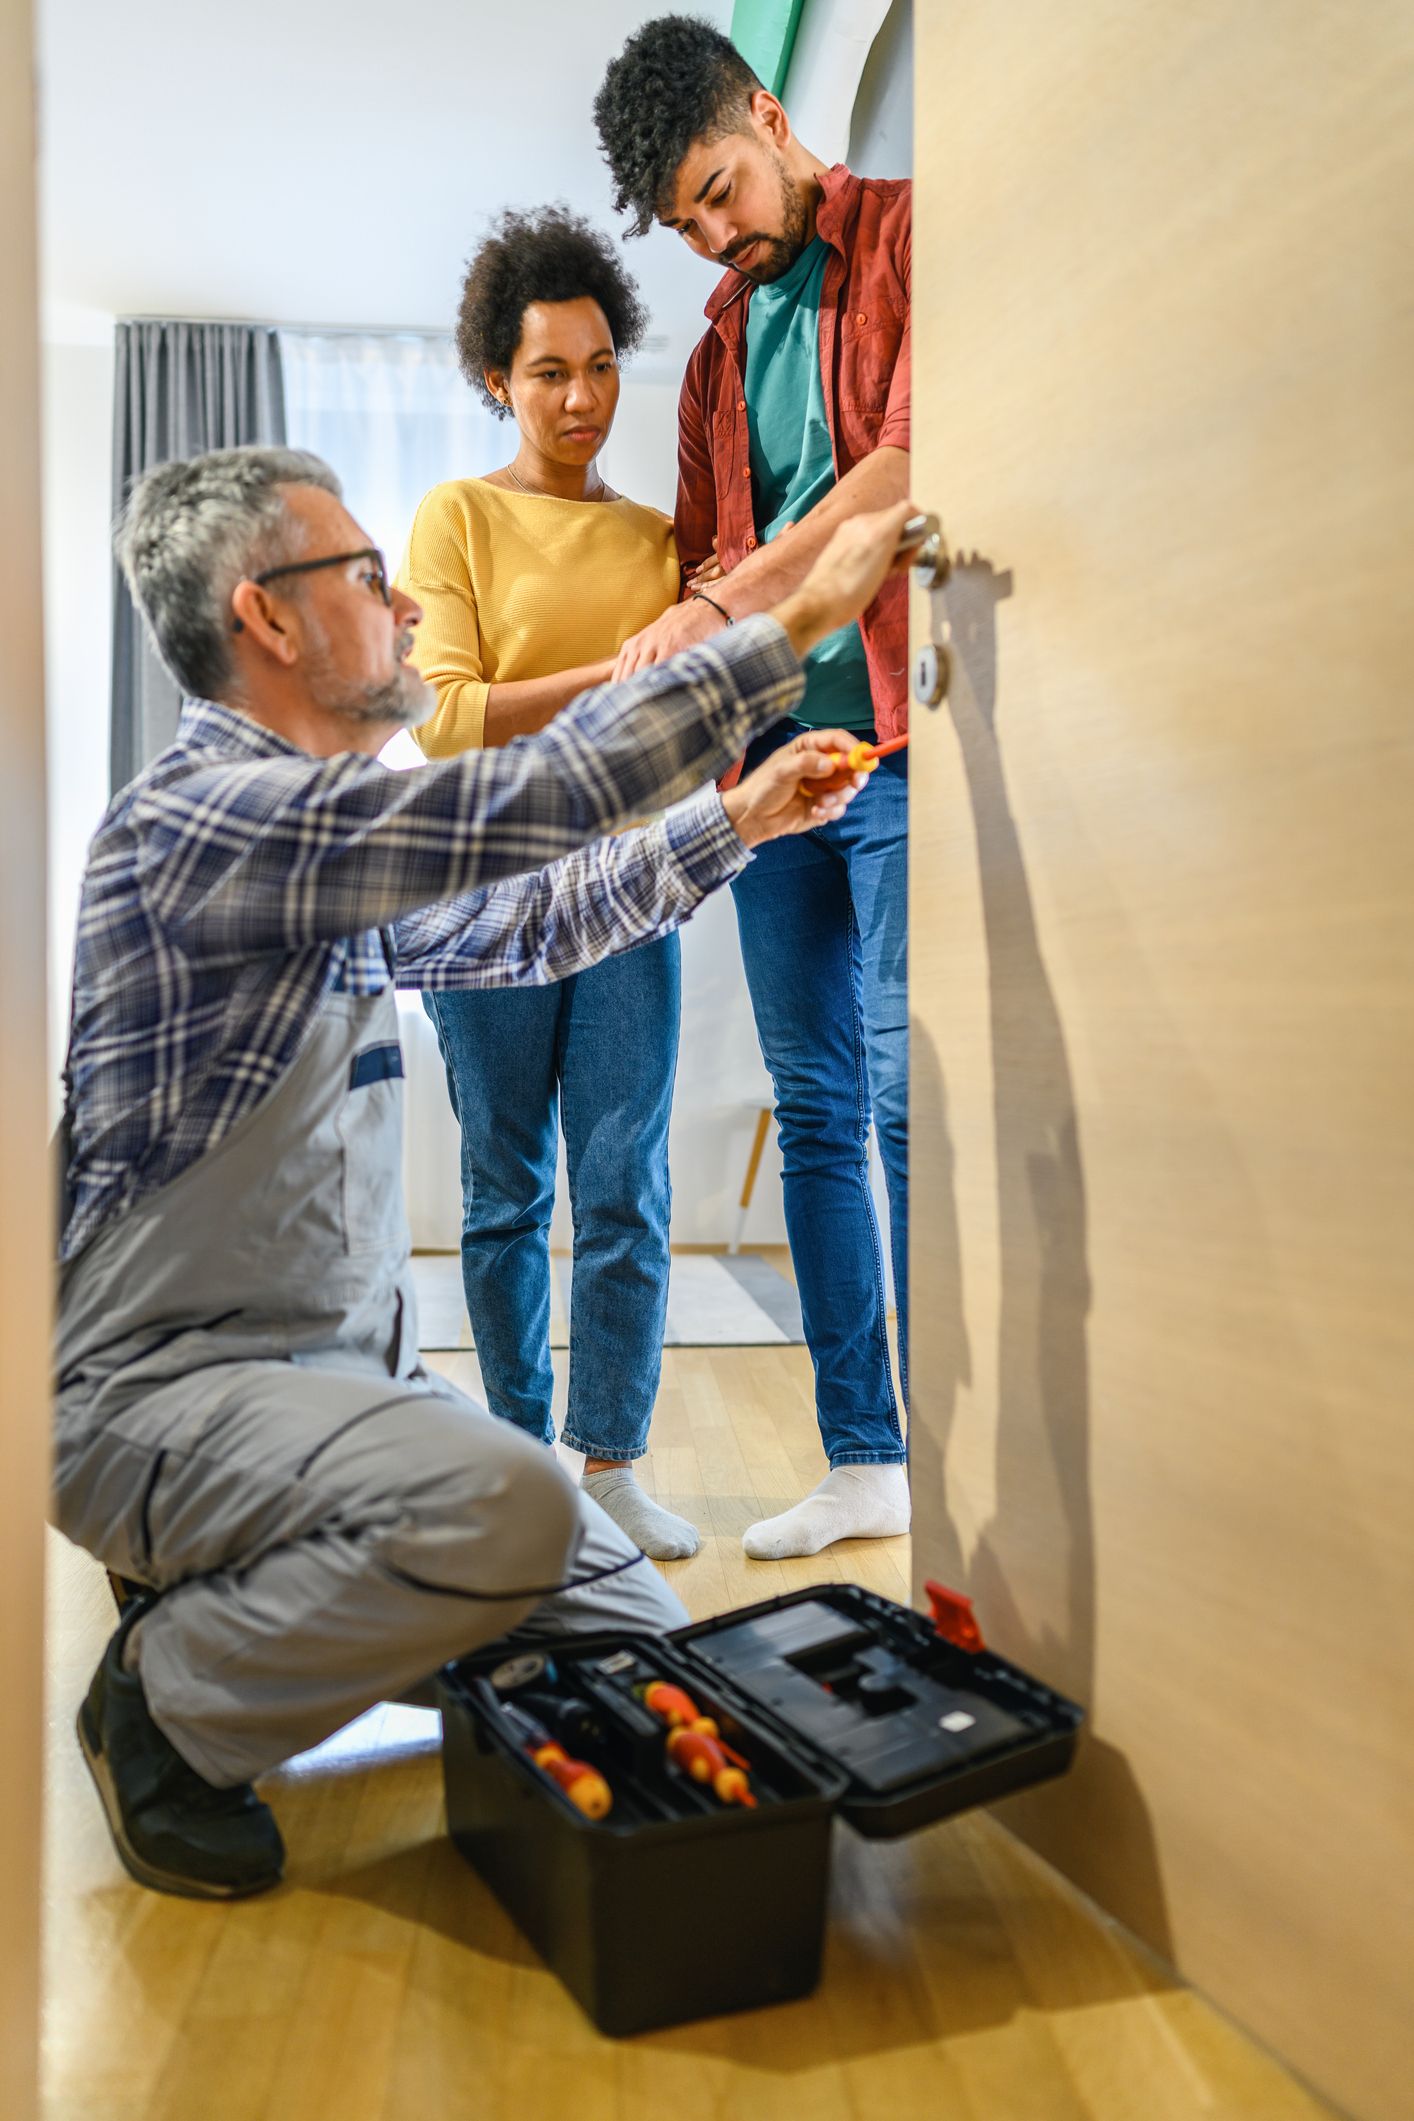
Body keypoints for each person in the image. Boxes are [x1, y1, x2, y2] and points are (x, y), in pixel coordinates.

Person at [55, 439, 912, 1899]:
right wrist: (799, 619)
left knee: (636, 1641)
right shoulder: (201, 821)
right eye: (366, 576)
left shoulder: (313, 837)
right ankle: (170, 1696)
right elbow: (517, 802)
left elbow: (525, 919)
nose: (403, 609)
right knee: (503, 1504)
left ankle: (268, 1592)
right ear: (264, 616)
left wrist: (737, 817)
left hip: (338, 1389)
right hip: (161, 1403)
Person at [594, 17, 914, 1563]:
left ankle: (962, 1455)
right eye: (686, 225)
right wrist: (704, 615)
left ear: (772, 119)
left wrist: (723, 603)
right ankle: (867, 1457)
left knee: (908, 1096)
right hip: (778, 771)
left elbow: (903, 471)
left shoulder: (911, 239)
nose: (715, 239)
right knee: (819, 1111)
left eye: (719, 192)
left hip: (906, 742)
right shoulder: (719, 345)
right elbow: (705, 550)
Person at [402, 209, 700, 1561]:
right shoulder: (457, 516)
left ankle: (613, 1467)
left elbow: (688, 724)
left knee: (626, 1186)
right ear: (497, 380)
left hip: (630, 890)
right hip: (486, 896)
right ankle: (524, 1469)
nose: (581, 398)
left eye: (599, 366)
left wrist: (662, 670)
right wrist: (625, 672)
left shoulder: (659, 541)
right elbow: (447, 718)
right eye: (547, 373)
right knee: (506, 1188)